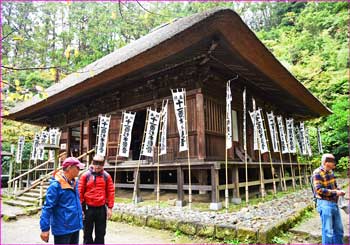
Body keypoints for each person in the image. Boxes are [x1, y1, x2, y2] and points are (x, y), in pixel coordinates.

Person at [40, 157, 85, 244]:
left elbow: (75, 201)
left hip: (75, 226)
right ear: (69, 168)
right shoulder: (56, 186)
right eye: (77, 167)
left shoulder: (74, 183)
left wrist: (80, 212)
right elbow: (47, 208)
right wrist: (45, 229)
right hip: (62, 229)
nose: (79, 170)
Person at [78, 155, 115, 244]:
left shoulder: (106, 176)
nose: (98, 166)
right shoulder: (85, 176)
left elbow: (111, 192)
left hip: (101, 208)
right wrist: (80, 208)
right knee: (87, 233)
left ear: (103, 164)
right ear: (92, 163)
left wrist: (110, 208)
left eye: (100, 164)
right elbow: (80, 192)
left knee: (101, 233)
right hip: (88, 208)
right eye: (96, 163)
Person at [312, 153, 345, 244]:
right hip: (324, 203)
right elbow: (318, 190)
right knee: (328, 231)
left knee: (339, 230)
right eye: (332, 162)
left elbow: (334, 187)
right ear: (326, 162)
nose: (334, 164)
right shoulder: (317, 172)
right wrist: (335, 192)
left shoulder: (331, 172)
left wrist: (339, 191)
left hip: (334, 203)